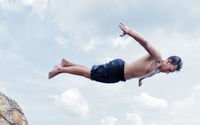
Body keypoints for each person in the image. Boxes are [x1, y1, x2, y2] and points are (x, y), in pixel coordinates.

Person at [48, 22, 182, 86]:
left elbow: (146, 74)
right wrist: (129, 31)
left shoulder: (157, 70)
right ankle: (61, 69)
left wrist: (141, 80)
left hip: (119, 76)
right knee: (89, 74)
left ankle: (67, 63)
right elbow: (145, 42)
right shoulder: (158, 58)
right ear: (168, 61)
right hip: (118, 69)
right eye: (170, 70)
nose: (168, 73)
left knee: (90, 73)